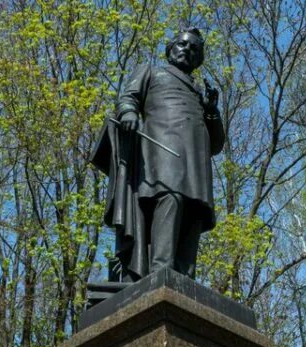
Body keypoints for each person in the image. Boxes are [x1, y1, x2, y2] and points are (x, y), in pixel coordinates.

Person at [90, 28, 225, 279]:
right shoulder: (151, 71)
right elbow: (128, 98)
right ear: (170, 48)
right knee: (170, 197)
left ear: (198, 59)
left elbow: (216, 146)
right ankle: (161, 270)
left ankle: (184, 276)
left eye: (194, 49)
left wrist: (211, 111)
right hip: (162, 152)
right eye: (182, 44)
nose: (187, 50)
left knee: (194, 210)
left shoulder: (199, 93)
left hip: (195, 161)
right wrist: (128, 112)